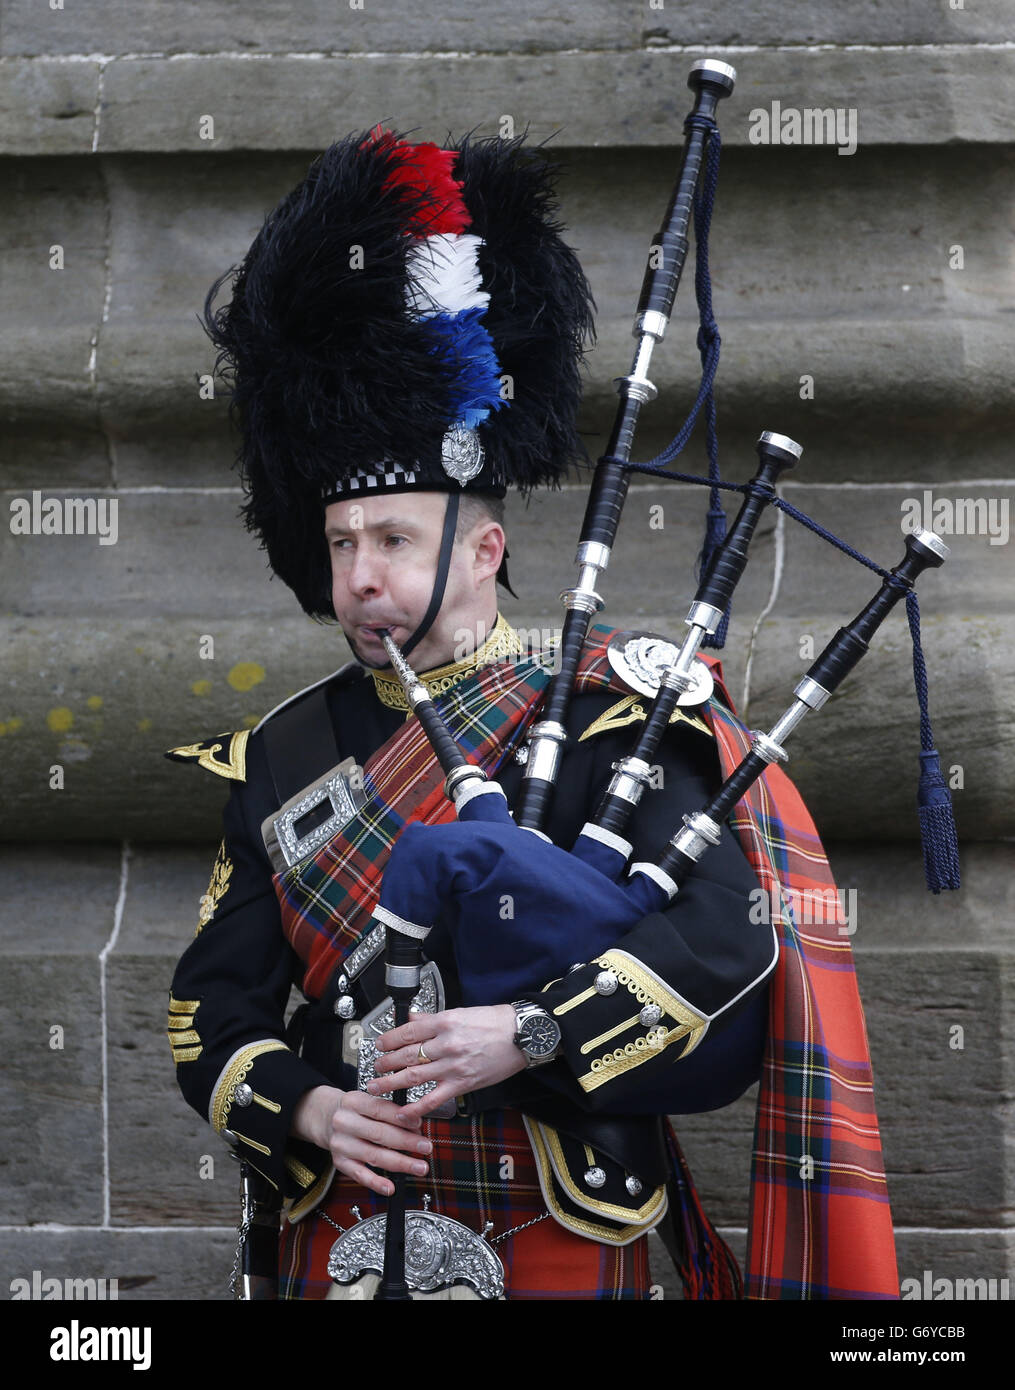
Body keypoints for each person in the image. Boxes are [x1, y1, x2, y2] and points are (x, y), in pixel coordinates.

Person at [167, 129, 898, 1300]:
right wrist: (310, 1105)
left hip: (555, 1215)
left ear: (484, 547)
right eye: (343, 543)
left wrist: (530, 1033)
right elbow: (212, 1007)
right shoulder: (281, 753)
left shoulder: (617, 711)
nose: (360, 576)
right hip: (338, 1224)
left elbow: (722, 946)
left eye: (396, 539)